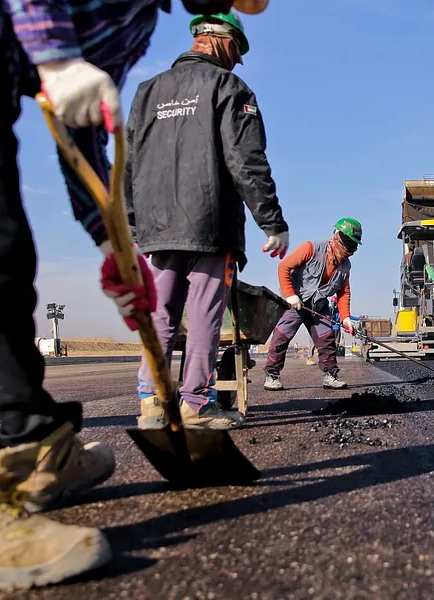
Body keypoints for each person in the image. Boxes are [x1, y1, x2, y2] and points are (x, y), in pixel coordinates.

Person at [0, 0, 257, 589]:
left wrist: (110, 243)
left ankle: (36, 441)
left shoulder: (138, 21)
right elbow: (63, 70)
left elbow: (83, 128)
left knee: (10, 257)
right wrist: (58, 56)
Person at [126, 12, 289, 430]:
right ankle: (195, 404)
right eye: (237, 51)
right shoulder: (228, 87)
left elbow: (128, 163)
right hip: (209, 222)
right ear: (221, 39)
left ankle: (152, 403)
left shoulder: (146, 92)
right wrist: (271, 221)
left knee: (160, 312)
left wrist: (132, 222)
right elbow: (246, 160)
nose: (237, 61)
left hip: (156, 226)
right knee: (203, 314)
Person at [264, 219, 361, 390]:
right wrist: (290, 295)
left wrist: (346, 318)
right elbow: (284, 267)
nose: (348, 251)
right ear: (335, 237)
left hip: (319, 305)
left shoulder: (346, 266)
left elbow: (343, 293)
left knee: (327, 339)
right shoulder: (311, 248)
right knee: (281, 336)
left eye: (352, 247)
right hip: (296, 302)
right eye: (346, 246)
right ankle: (272, 376)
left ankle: (330, 376)